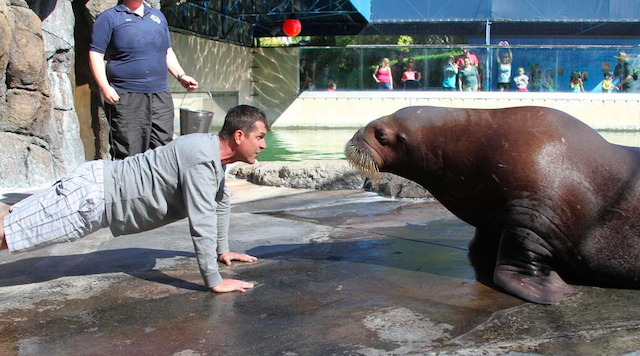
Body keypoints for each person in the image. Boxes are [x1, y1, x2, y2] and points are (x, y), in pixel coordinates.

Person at [0, 105, 269, 294]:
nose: (263, 145)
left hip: (95, 186)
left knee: (12, 222)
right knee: (11, 234)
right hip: (93, 199)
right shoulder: (201, 159)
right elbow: (202, 221)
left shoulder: (211, 152)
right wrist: (214, 280)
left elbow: (220, 201)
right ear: (238, 136)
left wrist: (222, 250)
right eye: (259, 138)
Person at [89, 0, 199, 160]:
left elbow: (167, 51)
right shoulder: (109, 18)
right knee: (129, 152)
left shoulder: (157, 16)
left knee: (163, 150)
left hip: (160, 96)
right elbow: (96, 54)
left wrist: (181, 76)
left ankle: (159, 185)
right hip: (126, 96)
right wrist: (105, 87)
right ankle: (129, 185)